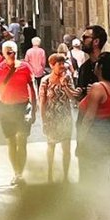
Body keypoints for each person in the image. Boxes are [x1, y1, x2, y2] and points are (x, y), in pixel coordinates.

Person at [76, 52, 110, 186]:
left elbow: (89, 117)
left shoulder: (98, 88)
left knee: (89, 174)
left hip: (94, 134)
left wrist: (81, 140)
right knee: (104, 172)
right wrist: (109, 123)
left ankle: (92, 203)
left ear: (100, 67)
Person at [0, 41, 36, 186]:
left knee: (22, 141)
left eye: (14, 52)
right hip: (6, 108)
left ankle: (19, 174)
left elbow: (32, 88)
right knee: (11, 142)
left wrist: (34, 109)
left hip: (23, 107)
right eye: (9, 52)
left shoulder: (25, 67)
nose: (12, 55)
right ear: (3, 53)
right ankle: (16, 172)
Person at [39, 52, 79, 182]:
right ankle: (49, 174)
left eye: (63, 63)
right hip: (51, 117)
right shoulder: (45, 81)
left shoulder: (67, 78)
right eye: (59, 64)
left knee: (66, 148)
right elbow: (42, 101)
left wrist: (64, 85)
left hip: (65, 117)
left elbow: (73, 97)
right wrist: (44, 119)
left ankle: (65, 176)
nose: (62, 66)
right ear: (52, 65)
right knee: (51, 146)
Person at [76, 24, 110, 97]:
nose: (81, 40)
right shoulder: (84, 68)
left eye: (85, 37)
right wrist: (79, 93)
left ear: (96, 41)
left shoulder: (109, 65)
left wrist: (99, 91)